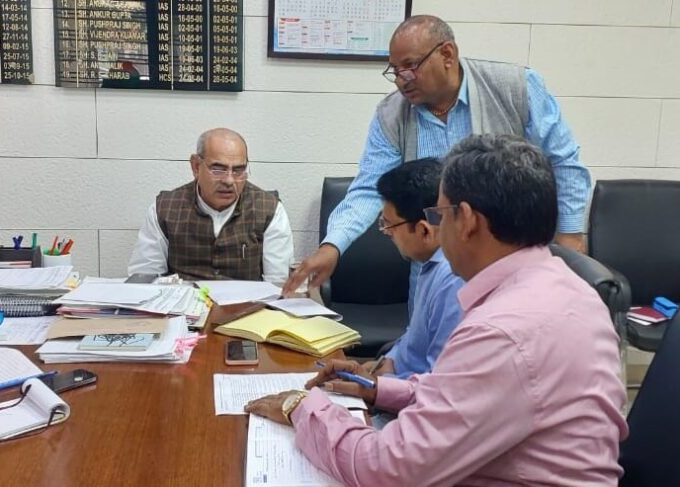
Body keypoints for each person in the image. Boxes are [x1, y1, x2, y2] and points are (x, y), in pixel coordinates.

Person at [247, 134, 627, 485]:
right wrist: (381, 390)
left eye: (440, 214)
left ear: (468, 220)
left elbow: (387, 469)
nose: (436, 230)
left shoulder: (502, 330)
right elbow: (463, 392)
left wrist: (302, 407)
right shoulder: (569, 290)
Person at [285, 15, 591, 297]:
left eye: (410, 66)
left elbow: (564, 162)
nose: (401, 79)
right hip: (431, 268)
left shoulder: (515, 87)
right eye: (394, 70)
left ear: (447, 54)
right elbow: (370, 187)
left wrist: (570, 237)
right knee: (428, 339)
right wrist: (332, 245)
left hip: (504, 261)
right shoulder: (391, 114)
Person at [128, 128, 294, 282]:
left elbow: (278, 283)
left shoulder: (269, 210)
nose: (229, 180)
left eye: (238, 170)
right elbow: (144, 278)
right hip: (183, 302)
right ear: (196, 166)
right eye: (218, 169)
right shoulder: (164, 208)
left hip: (248, 303)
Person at [367, 158, 463, 384]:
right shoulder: (429, 263)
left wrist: (381, 384)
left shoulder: (453, 280)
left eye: (389, 224)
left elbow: (437, 381)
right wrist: (385, 363)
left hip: (412, 397)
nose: (386, 232)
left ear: (424, 231)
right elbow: (413, 336)